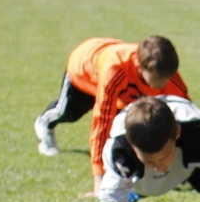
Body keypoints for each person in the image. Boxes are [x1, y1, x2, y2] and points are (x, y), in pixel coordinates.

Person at [34, 36, 190, 192]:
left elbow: (188, 116)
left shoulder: (166, 72)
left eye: (168, 77)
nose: (164, 84)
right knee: (68, 113)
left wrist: (185, 165)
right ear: (140, 67)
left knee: (130, 125)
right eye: (159, 78)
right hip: (84, 70)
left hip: (122, 86)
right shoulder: (115, 70)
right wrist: (99, 180)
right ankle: (44, 124)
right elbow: (102, 121)